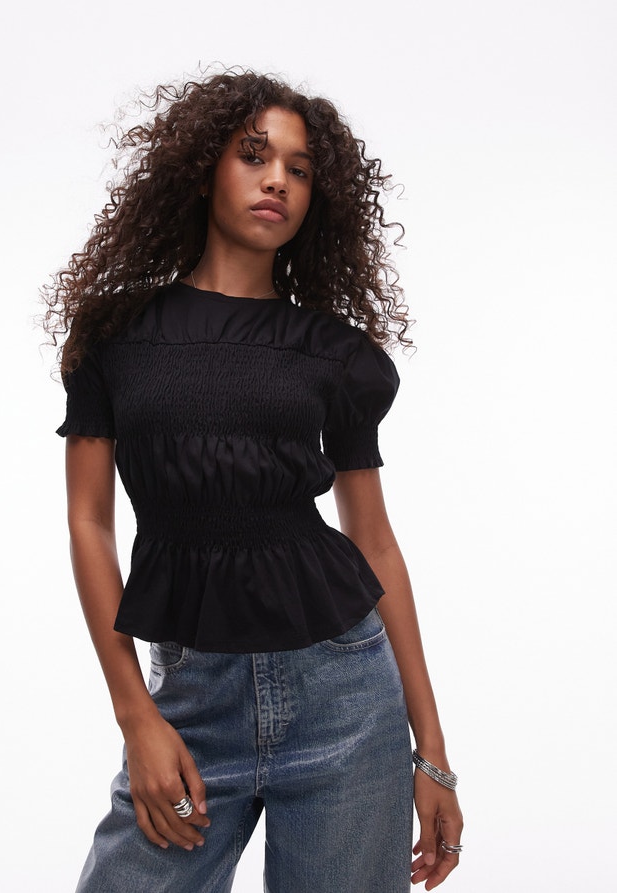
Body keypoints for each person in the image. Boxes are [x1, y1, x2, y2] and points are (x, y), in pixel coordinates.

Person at [43, 68, 463, 893]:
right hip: (190, 699)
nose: (278, 180)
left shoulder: (336, 355)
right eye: (254, 155)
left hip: (345, 692)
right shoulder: (114, 338)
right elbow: (89, 522)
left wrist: (433, 753)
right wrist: (136, 715)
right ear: (203, 169)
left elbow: (372, 539)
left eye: (299, 169)